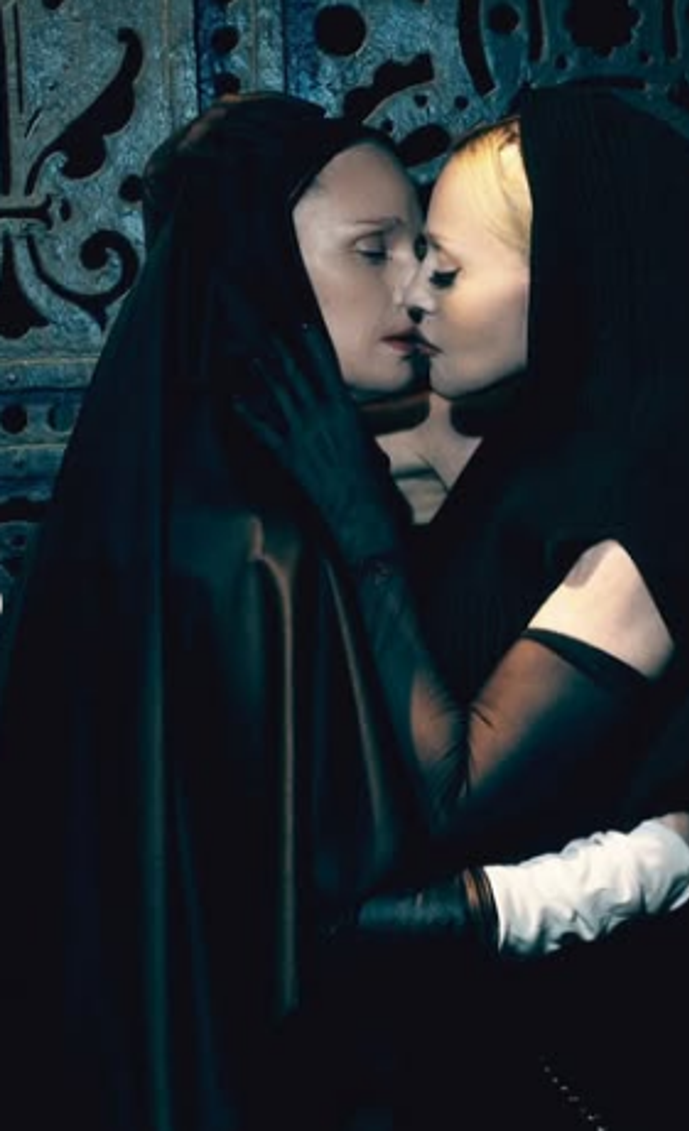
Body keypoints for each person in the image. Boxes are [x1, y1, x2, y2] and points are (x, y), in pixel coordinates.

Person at [238, 85, 689, 1129]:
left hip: (627, 1053)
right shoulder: (548, 449)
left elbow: (458, 793)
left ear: (571, 274)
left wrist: (354, 517)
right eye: (395, 257)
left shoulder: (655, 505)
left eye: (446, 268)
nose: (416, 297)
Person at [0, 91, 431, 1131]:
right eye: (373, 250)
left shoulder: (139, 506)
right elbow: (374, 876)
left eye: (421, 249)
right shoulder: (264, 546)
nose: (417, 286)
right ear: (259, 263)